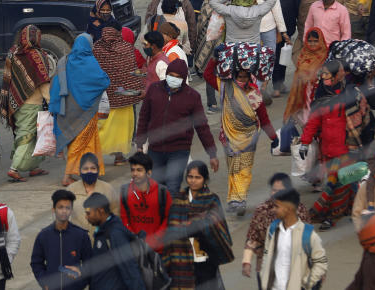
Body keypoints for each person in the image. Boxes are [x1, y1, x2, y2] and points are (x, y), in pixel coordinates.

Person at [300, 59, 371, 229]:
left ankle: (330, 216)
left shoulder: (352, 94)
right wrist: (304, 142)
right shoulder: (321, 95)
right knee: (345, 184)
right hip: (327, 150)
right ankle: (356, 208)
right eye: (322, 74)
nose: (323, 77)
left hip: (347, 149)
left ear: (337, 75)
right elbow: (313, 122)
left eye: (326, 74)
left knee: (335, 185)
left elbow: (364, 117)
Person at [137, 59, 218, 195]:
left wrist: (212, 154)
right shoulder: (154, 90)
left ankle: (171, 214)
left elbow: (202, 126)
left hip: (179, 151)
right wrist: (139, 144)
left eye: (178, 77)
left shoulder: (192, 96)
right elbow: (144, 117)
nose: (174, 79)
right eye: (171, 76)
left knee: (173, 187)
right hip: (155, 149)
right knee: (155, 188)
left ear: (184, 78)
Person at [214, 53, 278, 216]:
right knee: (233, 169)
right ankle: (234, 200)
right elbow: (208, 75)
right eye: (239, 76)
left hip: (249, 137)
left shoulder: (253, 93)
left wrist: (274, 138)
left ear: (250, 77)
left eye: (245, 76)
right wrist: (217, 57)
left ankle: (240, 200)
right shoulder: (226, 87)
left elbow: (263, 118)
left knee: (244, 170)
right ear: (234, 76)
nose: (242, 80)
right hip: (229, 136)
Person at [161, 161, 234, 290]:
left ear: (205, 179)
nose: (193, 181)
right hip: (181, 259)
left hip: (205, 259)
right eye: (190, 177)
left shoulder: (212, 199)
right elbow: (172, 228)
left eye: (197, 177)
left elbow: (215, 223)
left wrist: (193, 224)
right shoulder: (179, 199)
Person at [49, 34, 109, 186]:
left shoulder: (64, 61)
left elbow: (54, 84)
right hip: (85, 112)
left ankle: (88, 171)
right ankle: (68, 175)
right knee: (82, 142)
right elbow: (103, 81)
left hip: (67, 110)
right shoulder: (90, 62)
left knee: (75, 141)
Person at [1, 25, 54, 182]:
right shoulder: (38, 55)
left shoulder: (13, 53)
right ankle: (14, 168)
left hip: (16, 102)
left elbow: (7, 78)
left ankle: (33, 167)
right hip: (32, 102)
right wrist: (51, 102)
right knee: (27, 136)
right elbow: (43, 82)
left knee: (30, 135)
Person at [257, 187, 327, 290]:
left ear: (288, 208)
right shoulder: (272, 230)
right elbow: (266, 256)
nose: (273, 210)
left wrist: (308, 283)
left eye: (277, 206)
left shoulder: (308, 234)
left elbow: (320, 262)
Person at [241, 173, 309, 278]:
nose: (276, 194)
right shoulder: (262, 210)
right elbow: (252, 238)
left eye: (280, 191)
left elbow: (307, 239)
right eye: (274, 190)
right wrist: (246, 262)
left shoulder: (299, 210)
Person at [93, 27, 144, 165]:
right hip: (124, 98)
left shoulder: (96, 48)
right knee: (122, 130)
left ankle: (96, 155)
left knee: (103, 128)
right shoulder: (127, 48)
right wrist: (137, 91)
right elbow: (133, 73)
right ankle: (118, 157)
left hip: (104, 98)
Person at [30, 189, 91, 290]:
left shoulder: (81, 235)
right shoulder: (43, 236)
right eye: (60, 207)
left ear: (71, 210)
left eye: (67, 208)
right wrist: (45, 283)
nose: (64, 211)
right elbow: (36, 263)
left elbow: (89, 263)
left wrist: (80, 284)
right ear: (53, 209)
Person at [279, 29, 328, 152]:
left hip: (318, 96)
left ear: (321, 41)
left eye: (315, 41)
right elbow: (297, 79)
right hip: (303, 97)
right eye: (309, 41)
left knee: (319, 127)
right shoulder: (303, 55)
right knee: (306, 125)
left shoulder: (326, 56)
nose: (312, 44)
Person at [83, 192, 144, 289]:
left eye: (88, 213)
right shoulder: (103, 231)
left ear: (100, 210)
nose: (86, 217)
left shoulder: (115, 234)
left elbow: (129, 269)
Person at [119, 151, 171, 253]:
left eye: (139, 170)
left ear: (149, 173)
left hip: (157, 249)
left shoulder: (162, 192)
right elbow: (124, 219)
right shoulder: (124, 191)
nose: (135, 174)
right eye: (133, 170)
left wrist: (155, 238)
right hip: (134, 248)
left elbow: (168, 219)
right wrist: (133, 238)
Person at [65, 152, 116, 239]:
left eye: (93, 168)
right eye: (85, 169)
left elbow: (115, 215)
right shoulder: (71, 190)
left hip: (102, 240)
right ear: (80, 170)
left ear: (98, 170)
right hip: (77, 240)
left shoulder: (107, 189)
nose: (89, 171)